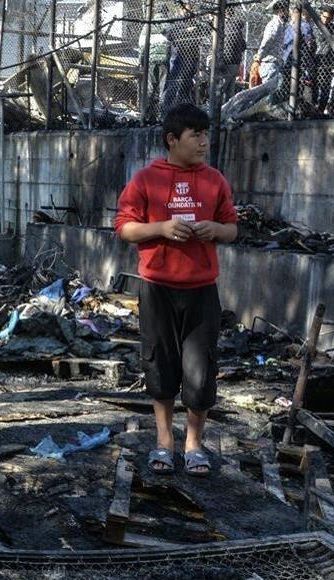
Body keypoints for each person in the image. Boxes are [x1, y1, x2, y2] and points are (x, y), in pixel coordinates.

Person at [113, 103, 238, 478]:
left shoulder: (214, 180)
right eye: (195, 135)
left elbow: (232, 228)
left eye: (206, 135)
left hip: (202, 291)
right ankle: (165, 442)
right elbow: (123, 228)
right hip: (158, 290)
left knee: (201, 374)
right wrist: (161, 229)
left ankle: (194, 444)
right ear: (172, 139)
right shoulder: (146, 179)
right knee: (160, 366)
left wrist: (215, 230)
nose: (203, 142)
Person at [313, 7, 334, 113]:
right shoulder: (316, 26)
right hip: (318, 60)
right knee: (315, 87)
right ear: (320, 15)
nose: (326, 20)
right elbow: (323, 43)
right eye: (324, 17)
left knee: (326, 88)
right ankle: (313, 109)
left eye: (329, 18)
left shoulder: (332, 27)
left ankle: (321, 110)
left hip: (328, 62)